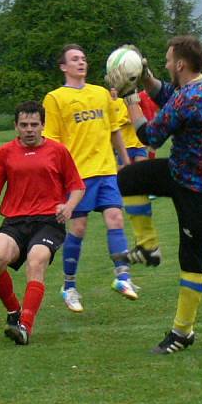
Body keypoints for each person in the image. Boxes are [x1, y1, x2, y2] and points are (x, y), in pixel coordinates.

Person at [111, 35, 202, 354]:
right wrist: (146, 76)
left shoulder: (191, 98)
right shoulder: (200, 85)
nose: (165, 64)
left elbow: (149, 135)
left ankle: (183, 333)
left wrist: (130, 95)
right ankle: (148, 247)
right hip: (184, 173)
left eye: (167, 60)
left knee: (190, 259)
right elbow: (168, 93)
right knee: (129, 178)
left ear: (180, 64)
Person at [43, 44, 148, 312]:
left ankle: (122, 277)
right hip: (77, 176)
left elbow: (115, 131)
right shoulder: (55, 98)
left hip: (106, 171)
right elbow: (52, 142)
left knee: (116, 218)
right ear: (63, 67)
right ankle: (69, 287)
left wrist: (125, 163)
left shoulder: (101, 94)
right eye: (75, 59)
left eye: (84, 58)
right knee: (78, 229)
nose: (81, 62)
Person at [0, 100, 85, 345]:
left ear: (43, 125)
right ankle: (14, 311)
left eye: (34, 124)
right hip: (15, 221)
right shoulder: (4, 153)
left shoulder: (58, 151)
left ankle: (25, 326)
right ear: (16, 126)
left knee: (36, 260)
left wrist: (68, 207)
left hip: (48, 221)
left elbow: (77, 187)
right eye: (24, 125)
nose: (29, 129)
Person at [110, 94, 161, 263]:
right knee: (124, 177)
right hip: (124, 146)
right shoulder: (115, 103)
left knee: (142, 176)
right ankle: (146, 244)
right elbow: (117, 122)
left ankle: (147, 243)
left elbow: (139, 119)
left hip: (138, 144)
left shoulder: (134, 102)